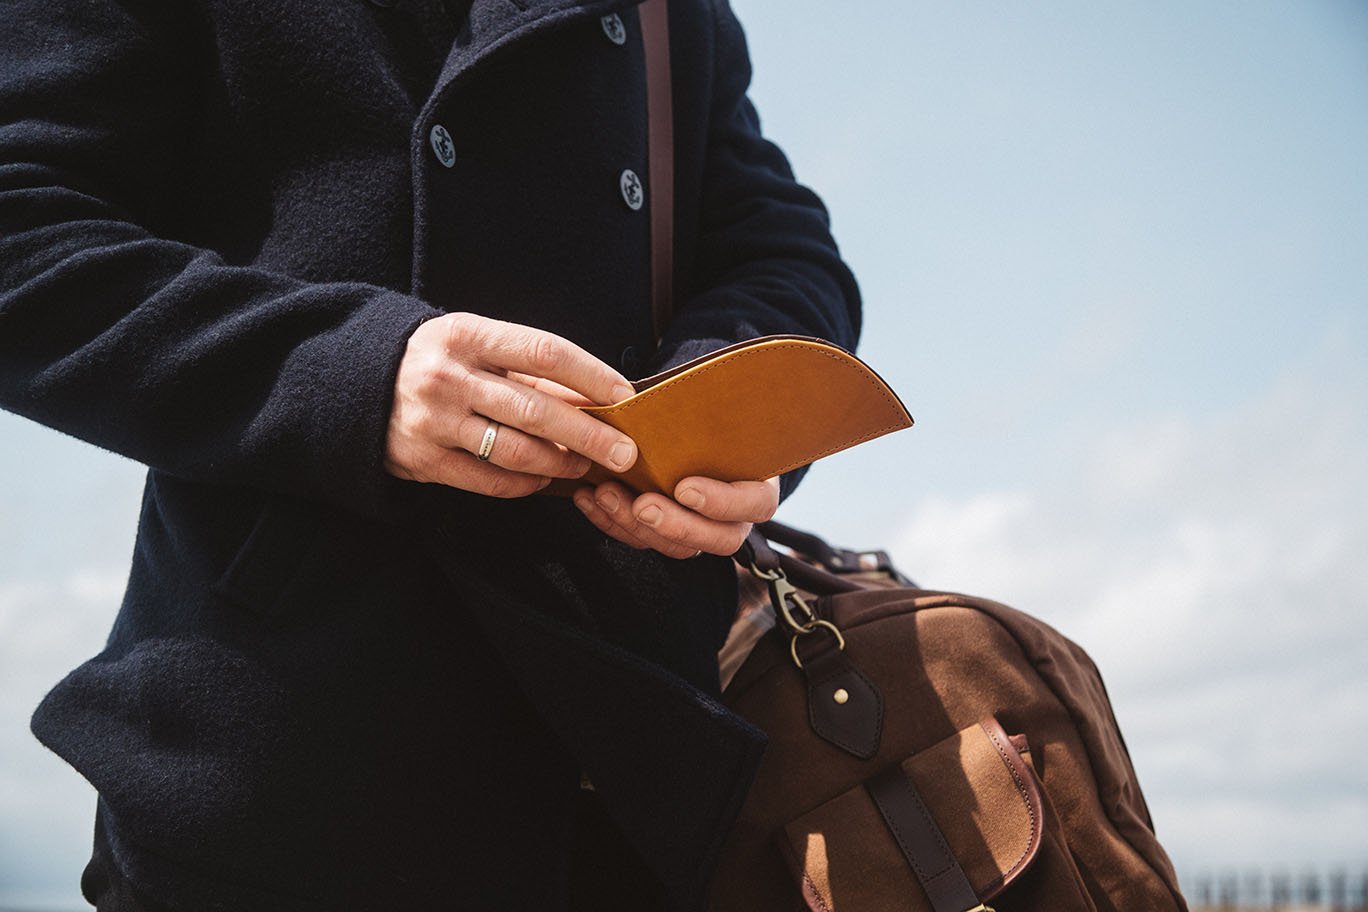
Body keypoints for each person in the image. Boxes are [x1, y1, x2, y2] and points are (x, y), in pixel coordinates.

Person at [0, 0, 860, 908]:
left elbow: (778, 246)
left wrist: (715, 413)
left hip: (629, 772)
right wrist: (355, 376)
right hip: (290, 771)